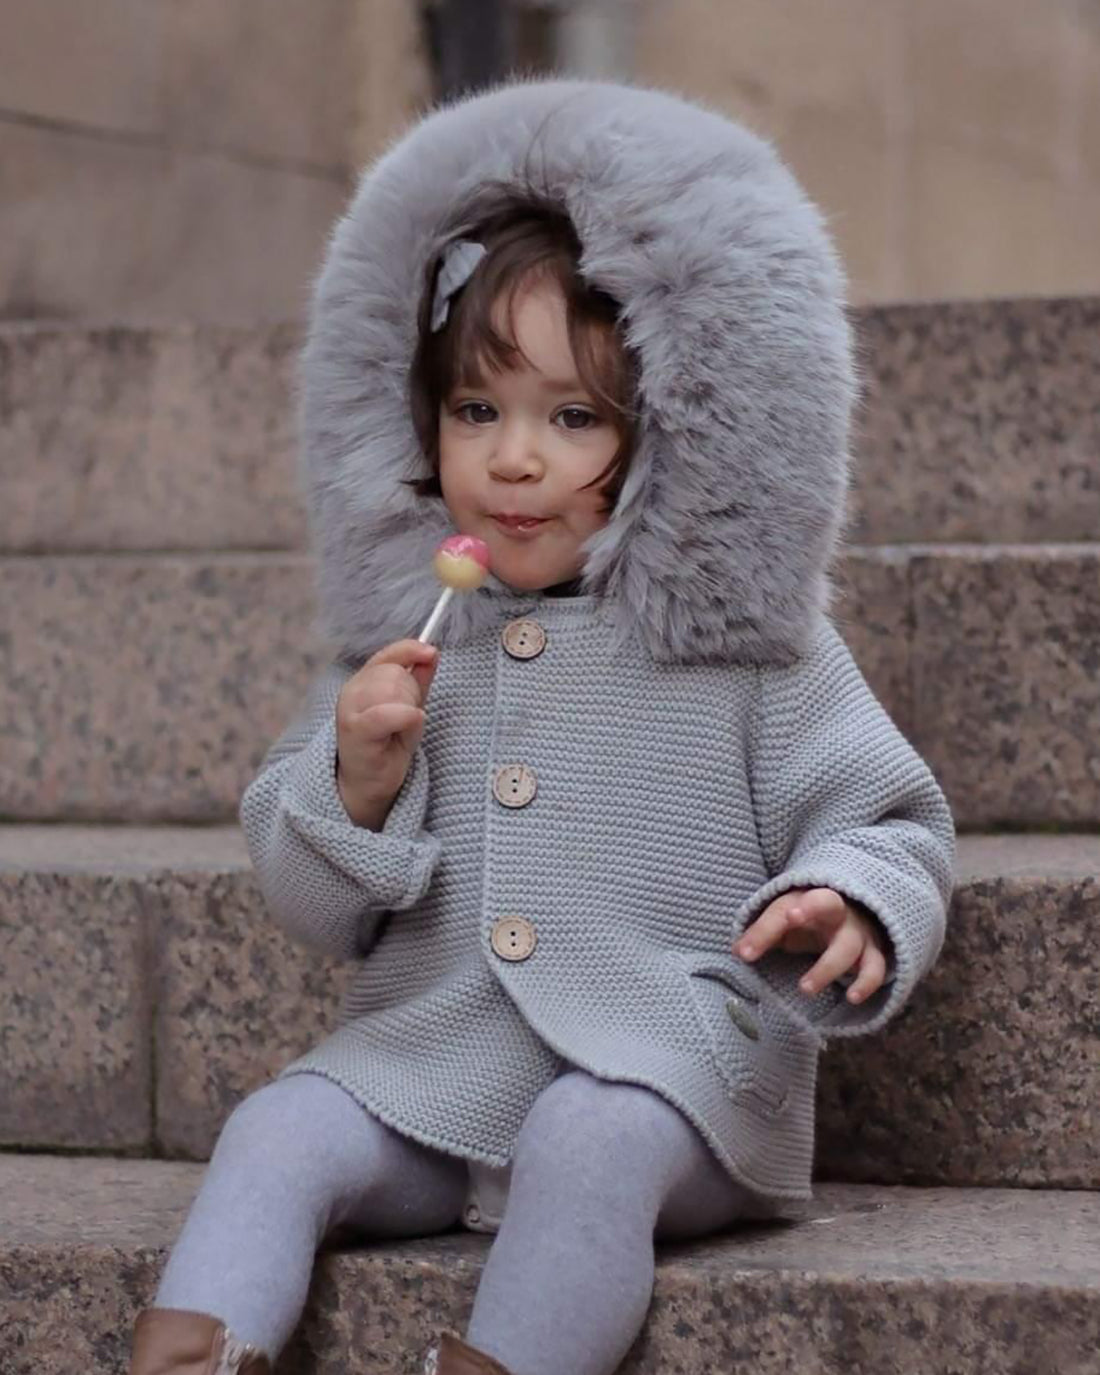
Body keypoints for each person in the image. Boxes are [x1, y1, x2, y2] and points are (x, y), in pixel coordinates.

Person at [128, 78, 955, 1375]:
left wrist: (851, 899)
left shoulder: (747, 646)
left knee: (586, 1140)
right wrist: (353, 783)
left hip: (672, 1073)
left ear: (675, 438)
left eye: (572, 418)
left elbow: (889, 817)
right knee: (277, 1132)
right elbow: (311, 904)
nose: (513, 459)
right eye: (477, 412)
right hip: (435, 1066)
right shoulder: (407, 648)